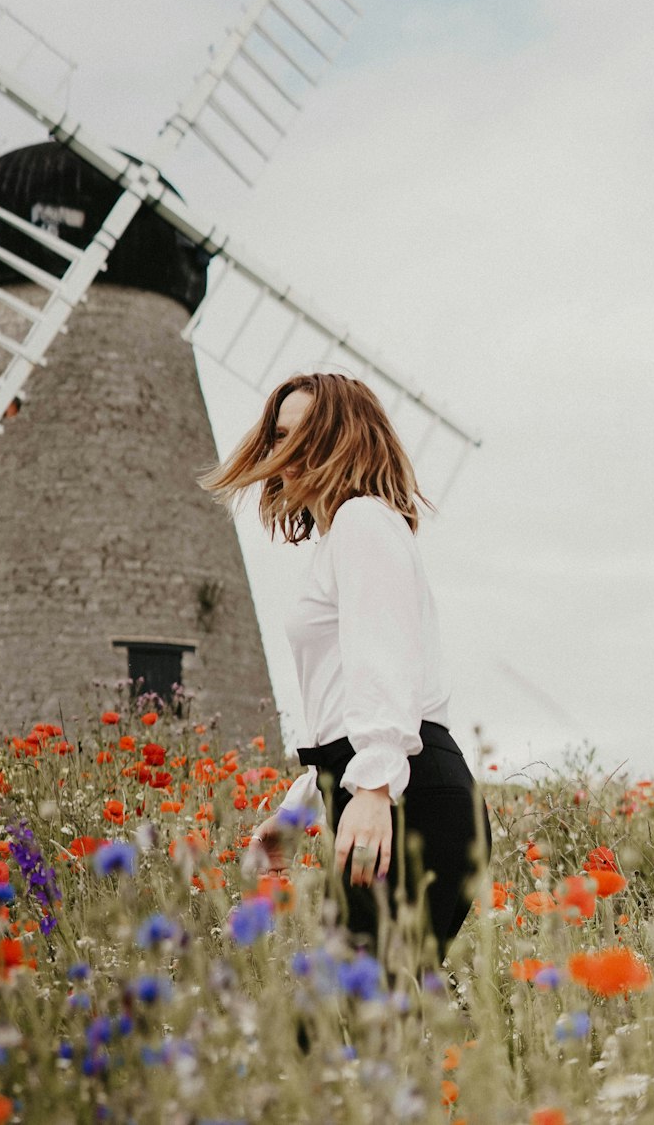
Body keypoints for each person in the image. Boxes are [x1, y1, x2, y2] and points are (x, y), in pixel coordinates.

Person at [200, 372, 491, 971]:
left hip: (406, 793)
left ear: (347, 438)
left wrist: (376, 786)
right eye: (279, 436)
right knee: (374, 1016)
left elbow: (382, 670)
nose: (286, 452)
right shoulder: (344, 538)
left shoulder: (361, 521)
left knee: (358, 1014)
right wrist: (298, 812)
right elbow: (343, 704)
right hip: (387, 786)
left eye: (306, 434)